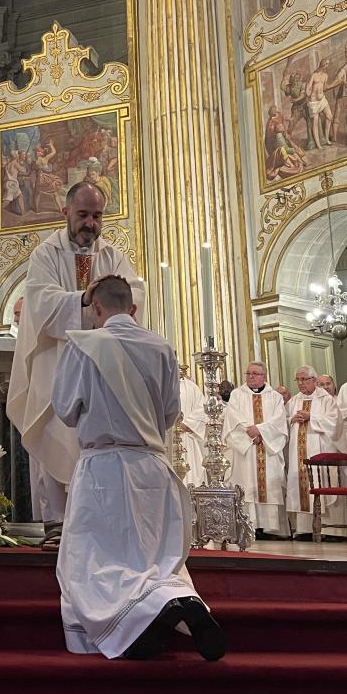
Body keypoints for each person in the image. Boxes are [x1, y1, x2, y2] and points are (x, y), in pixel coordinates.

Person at [52, 275, 224, 661]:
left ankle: (132, 624)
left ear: (96, 308)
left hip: (103, 468)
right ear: (132, 308)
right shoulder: (161, 346)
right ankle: (175, 599)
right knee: (151, 558)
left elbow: (64, 408)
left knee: (93, 558)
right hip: (152, 467)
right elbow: (171, 412)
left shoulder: (83, 345)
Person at [8, 181, 146, 548]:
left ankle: (97, 521)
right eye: (83, 214)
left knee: (95, 440)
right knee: (55, 433)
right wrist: (85, 300)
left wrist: (108, 303)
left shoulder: (113, 256)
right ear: (65, 212)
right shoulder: (45, 254)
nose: (90, 223)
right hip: (56, 363)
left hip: (101, 369)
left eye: (97, 216)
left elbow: (134, 296)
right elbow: (40, 304)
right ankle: (56, 523)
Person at [222, 361, 288, 537]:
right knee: (247, 485)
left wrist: (260, 431)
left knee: (269, 487)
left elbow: (279, 420)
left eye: (255, 373)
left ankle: (270, 528)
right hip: (246, 448)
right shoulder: (237, 395)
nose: (250, 376)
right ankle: (249, 526)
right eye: (248, 373)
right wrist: (251, 433)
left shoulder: (275, 397)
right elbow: (233, 418)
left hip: (267, 447)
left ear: (264, 376)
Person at [285, 366, 345, 538]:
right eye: (298, 379)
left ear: (314, 380)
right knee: (301, 487)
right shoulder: (294, 401)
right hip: (299, 453)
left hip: (322, 450)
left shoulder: (326, 399)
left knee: (323, 484)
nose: (300, 383)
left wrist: (311, 417)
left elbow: (335, 423)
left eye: (304, 379)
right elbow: (283, 421)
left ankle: (331, 530)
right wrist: (291, 419)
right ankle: (305, 530)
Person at [176, 364, 209, 488]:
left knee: (191, 476)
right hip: (165, 438)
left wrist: (187, 424)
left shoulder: (191, 387)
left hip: (186, 437)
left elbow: (202, 408)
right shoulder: (160, 384)